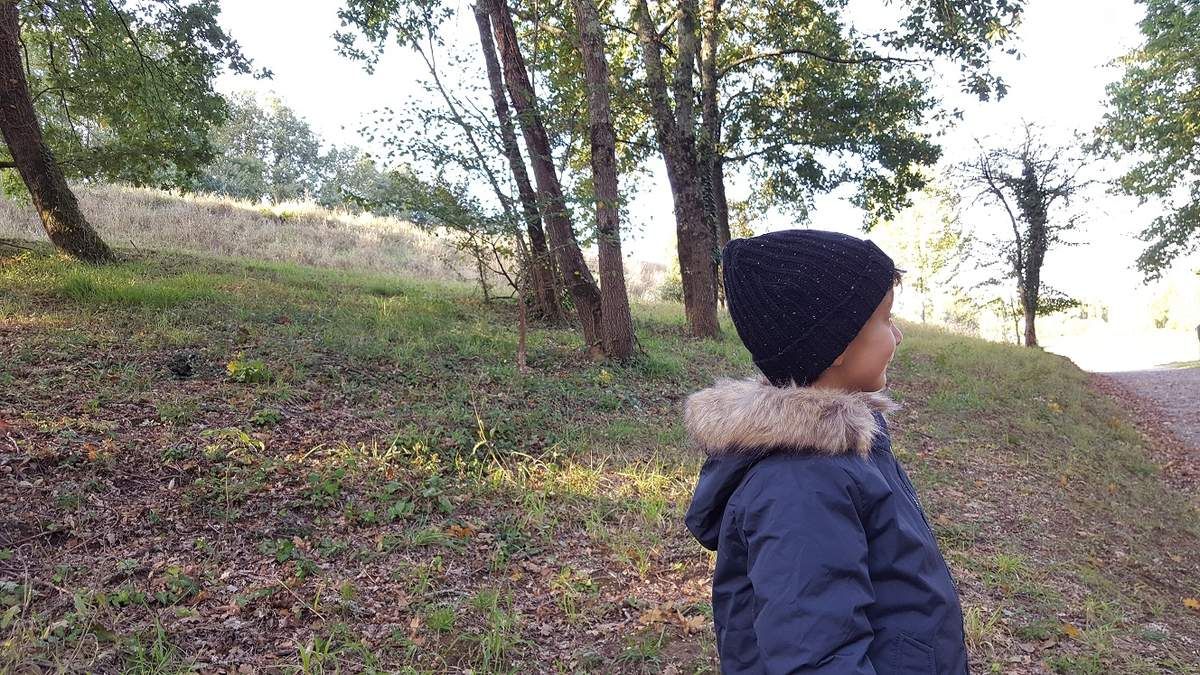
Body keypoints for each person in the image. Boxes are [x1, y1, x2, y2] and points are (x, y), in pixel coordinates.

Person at [685, 229, 969, 674]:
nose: (897, 335)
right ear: (835, 343)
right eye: (884, 320)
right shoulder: (800, 485)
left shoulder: (840, 451)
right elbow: (816, 656)